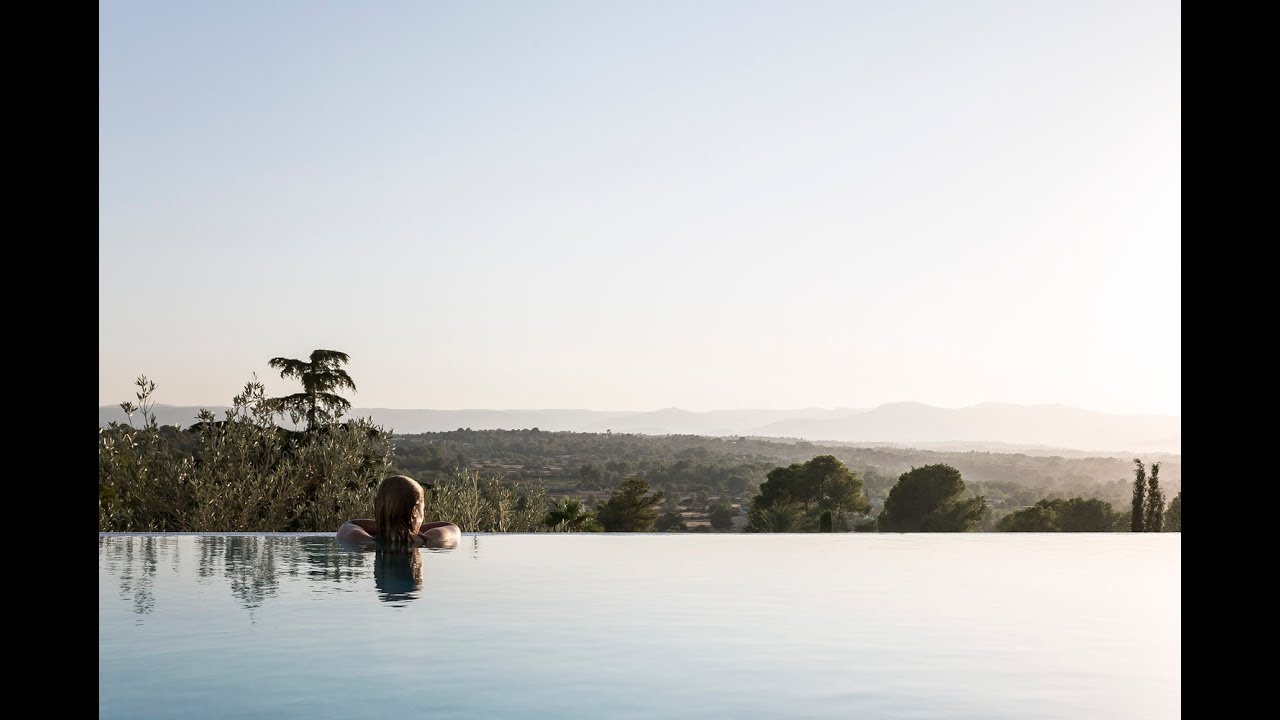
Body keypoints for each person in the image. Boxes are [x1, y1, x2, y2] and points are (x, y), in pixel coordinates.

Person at [337, 474, 461, 547]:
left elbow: (350, 524)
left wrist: (389, 525)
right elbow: (452, 527)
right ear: (415, 512)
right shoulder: (430, 539)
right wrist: (410, 532)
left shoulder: (360, 539)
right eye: (423, 509)